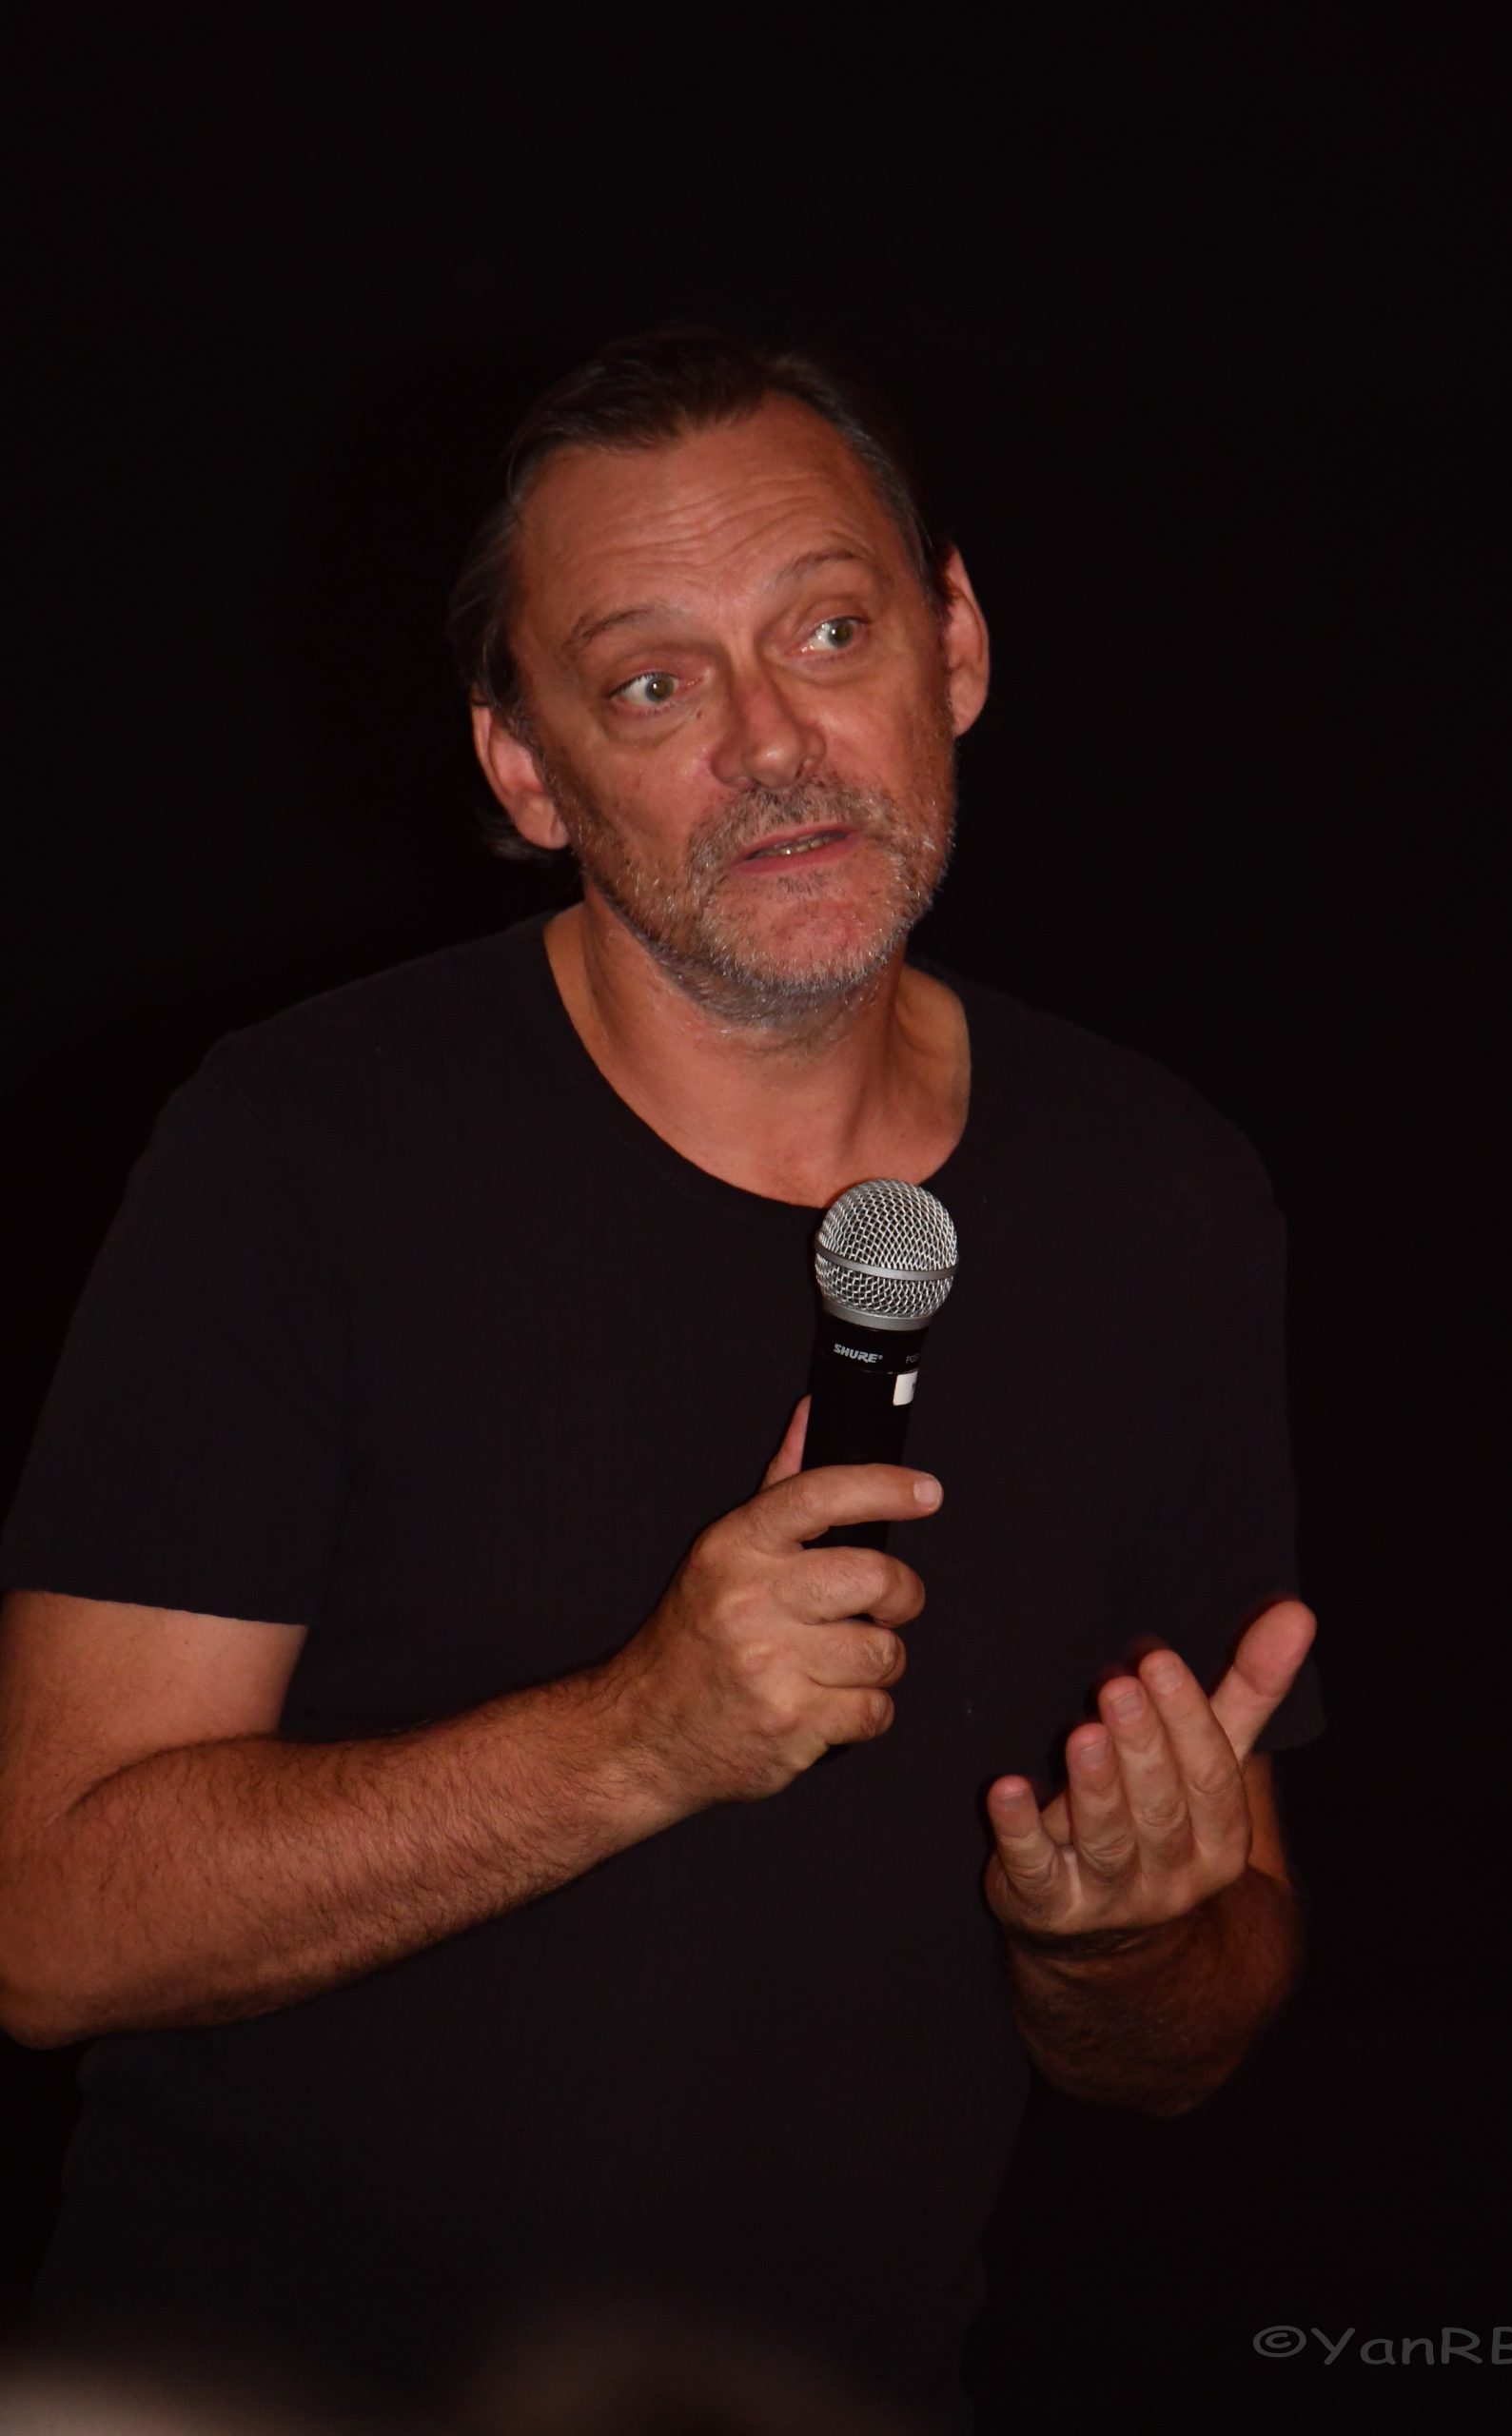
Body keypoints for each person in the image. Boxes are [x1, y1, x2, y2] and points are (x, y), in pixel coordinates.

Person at [0, 328, 1324, 2434]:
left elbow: (1191, 2029)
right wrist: (640, 1738)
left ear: (956, 645)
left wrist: (1117, 1944)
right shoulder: (303, 1150)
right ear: (526, 770)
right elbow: (48, 1921)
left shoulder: (1157, 1192)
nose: (775, 743)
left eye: (828, 631)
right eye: (650, 685)